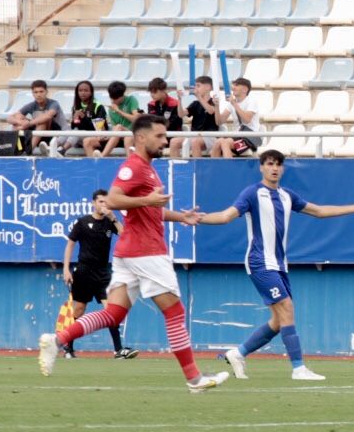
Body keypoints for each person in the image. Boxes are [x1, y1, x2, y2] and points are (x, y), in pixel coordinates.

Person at [39, 114, 228, 392]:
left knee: (113, 314)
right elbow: (113, 199)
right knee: (175, 313)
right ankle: (194, 379)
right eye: (160, 136)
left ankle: (56, 340)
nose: (165, 140)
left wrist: (181, 217)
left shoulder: (148, 168)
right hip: (146, 252)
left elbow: (150, 210)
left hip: (131, 251)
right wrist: (147, 199)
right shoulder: (135, 167)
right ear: (141, 138)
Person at [196, 149, 354, 383]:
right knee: (287, 308)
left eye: (278, 164)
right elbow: (225, 216)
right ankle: (298, 368)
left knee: (278, 321)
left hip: (280, 264)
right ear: (261, 167)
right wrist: (197, 218)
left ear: (283, 169)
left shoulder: (287, 196)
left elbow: (319, 211)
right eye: (270, 164)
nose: (274, 168)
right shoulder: (252, 194)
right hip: (260, 262)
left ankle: (238, 353)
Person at [59, 190, 131, 359]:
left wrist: (113, 217)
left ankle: (118, 350)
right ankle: (68, 348)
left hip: (103, 272)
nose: (102, 205)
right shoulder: (83, 222)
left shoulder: (109, 222)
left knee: (111, 310)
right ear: (93, 203)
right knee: (79, 309)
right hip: (84, 271)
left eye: (105, 202)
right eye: (100, 201)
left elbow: (125, 235)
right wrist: (66, 269)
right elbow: (70, 244)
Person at [6, 79, 66, 156]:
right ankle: (15, 148)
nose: (38, 95)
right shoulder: (32, 105)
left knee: (42, 122)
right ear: (33, 94)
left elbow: (48, 116)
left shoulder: (54, 103)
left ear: (46, 92)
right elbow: (9, 118)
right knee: (18, 118)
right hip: (40, 136)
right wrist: (20, 122)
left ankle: (29, 151)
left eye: (41, 91)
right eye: (36, 92)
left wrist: (28, 123)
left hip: (55, 134)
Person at [221, 76, 263, 159]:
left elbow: (247, 120)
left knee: (225, 143)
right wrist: (216, 105)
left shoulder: (251, 101)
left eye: (236, 85)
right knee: (217, 143)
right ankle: (215, 171)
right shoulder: (231, 104)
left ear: (245, 89)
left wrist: (235, 104)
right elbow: (219, 121)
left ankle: (228, 170)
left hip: (250, 139)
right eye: (233, 85)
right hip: (237, 136)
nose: (233, 87)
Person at [69, 80, 108, 156]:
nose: (82, 93)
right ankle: (57, 149)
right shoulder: (76, 106)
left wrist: (84, 117)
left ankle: (62, 150)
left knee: (76, 133)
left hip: (95, 136)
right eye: (80, 90)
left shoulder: (98, 106)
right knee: (68, 133)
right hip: (79, 137)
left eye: (86, 90)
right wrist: (74, 120)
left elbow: (98, 128)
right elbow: (74, 127)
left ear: (91, 93)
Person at [101, 79, 139, 157]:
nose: (113, 101)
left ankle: (102, 156)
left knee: (125, 134)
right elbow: (114, 127)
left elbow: (136, 119)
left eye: (116, 98)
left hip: (134, 133)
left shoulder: (131, 100)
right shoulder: (111, 109)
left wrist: (119, 111)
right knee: (88, 141)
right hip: (119, 136)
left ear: (122, 95)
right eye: (112, 98)